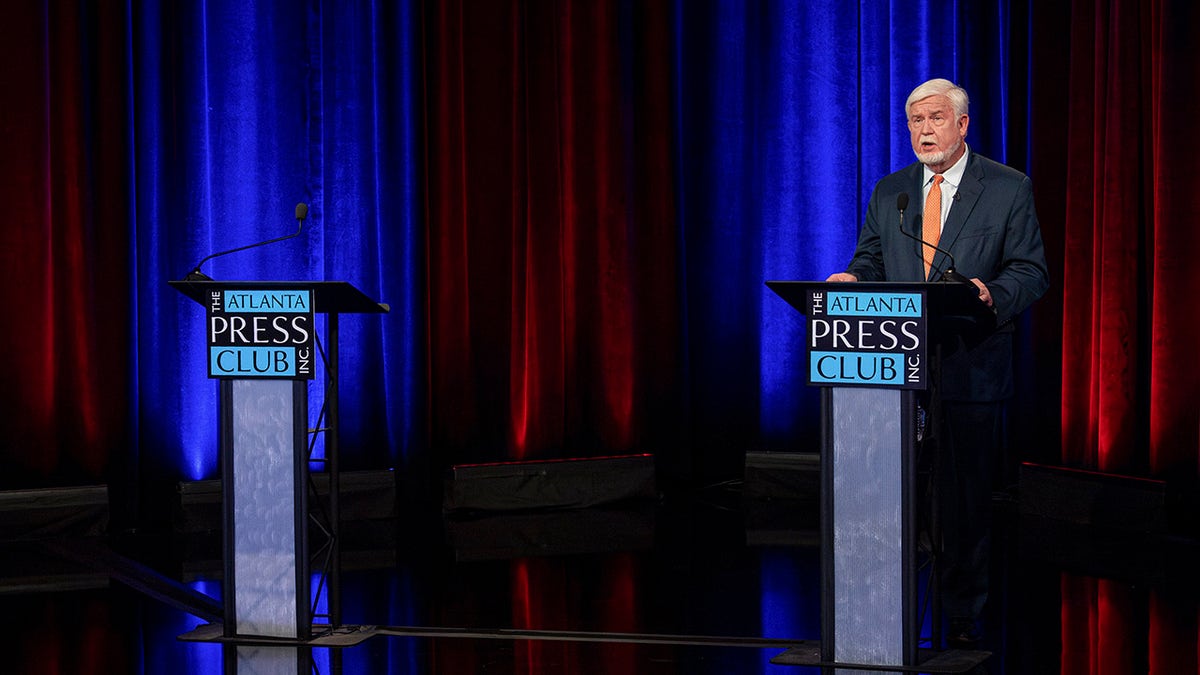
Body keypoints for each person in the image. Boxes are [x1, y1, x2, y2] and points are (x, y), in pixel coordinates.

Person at [826, 78, 1049, 648]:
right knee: (893, 495)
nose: (924, 131)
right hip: (896, 365)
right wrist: (853, 279)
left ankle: (963, 616)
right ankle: (883, 605)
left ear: (962, 124)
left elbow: (1030, 271)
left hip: (970, 364)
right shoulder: (892, 191)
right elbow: (871, 259)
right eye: (915, 122)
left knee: (965, 500)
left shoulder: (1006, 187)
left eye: (935, 119)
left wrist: (988, 293)